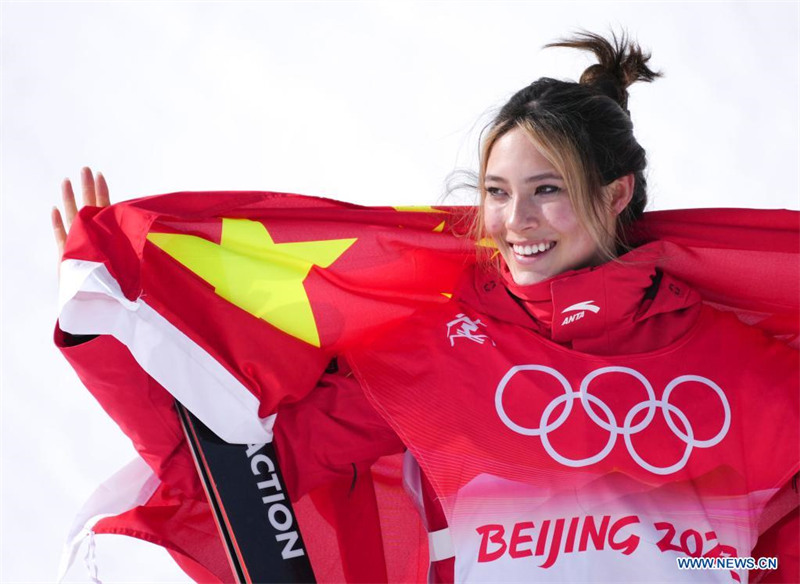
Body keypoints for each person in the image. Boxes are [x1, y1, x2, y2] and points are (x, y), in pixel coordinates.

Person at [53, 32, 798, 583]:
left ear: (615, 195)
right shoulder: (437, 353)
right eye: (497, 193)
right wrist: (117, 323)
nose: (515, 222)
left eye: (547, 190)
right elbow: (231, 470)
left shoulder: (737, 366)